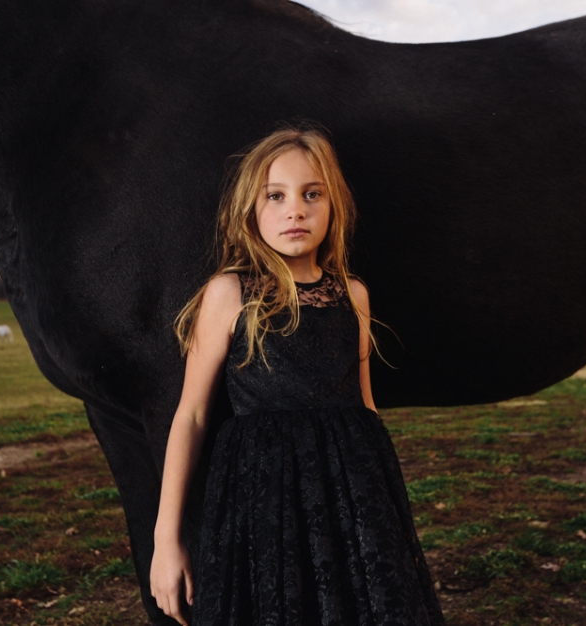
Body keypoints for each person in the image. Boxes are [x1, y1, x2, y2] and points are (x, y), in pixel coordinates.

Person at [149, 126, 445, 626]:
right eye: (276, 196)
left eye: (312, 194)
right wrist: (165, 539)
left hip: (350, 496)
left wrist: (390, 521)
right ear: (251, 209)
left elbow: (366, 410)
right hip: (263, 498)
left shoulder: (353, 295)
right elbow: (193, 415)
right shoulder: (229, 294)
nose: (296, 210)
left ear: (334, 207)